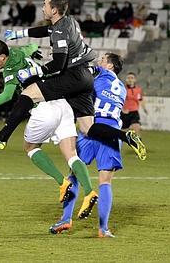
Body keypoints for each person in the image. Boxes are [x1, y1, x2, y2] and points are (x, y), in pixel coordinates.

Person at [0, 0, 146, 159]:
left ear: (54, 10)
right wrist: (20, 34)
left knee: (28, 94)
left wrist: (33, 71)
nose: (42, 8)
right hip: (85, 77)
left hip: (72, 76)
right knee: (88, 128)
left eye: (45, 5)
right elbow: (46, 30)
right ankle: (126, 136)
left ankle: (2, 137)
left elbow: (58, 63)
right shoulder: (69, 21)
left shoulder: (59, 32)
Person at [0, 39, 100, 219]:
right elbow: (32, 46)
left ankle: (62, 183)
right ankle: (90, 192)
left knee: (30, 147)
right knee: (71, 154)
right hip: (63, 104)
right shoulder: (19, 51)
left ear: (2, 57)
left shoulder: (10, 69)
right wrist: (35, 53)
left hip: (43, 108)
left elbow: (7, 96)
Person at [50, 53, 128, 238]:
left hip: (91, 128)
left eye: (102, 60)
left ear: (109, 66)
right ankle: (103, 229)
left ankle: (65, 219)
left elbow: (83, 71)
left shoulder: (101, 73)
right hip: (111, 131)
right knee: (105, 182)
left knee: (75, 175)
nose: (98, 62)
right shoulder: (122, 88)